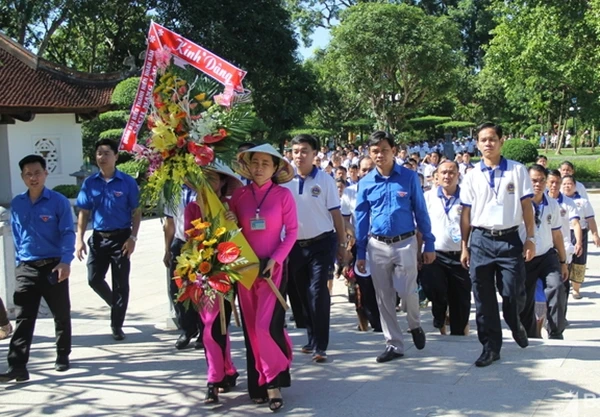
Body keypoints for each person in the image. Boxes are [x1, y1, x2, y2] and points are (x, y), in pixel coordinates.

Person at [460, 122, 536, 368]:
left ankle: (515, 323)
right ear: (477, 144)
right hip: (481, 240)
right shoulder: (471, 175)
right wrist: (465, 245)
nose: (488, 144)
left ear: (502, 140)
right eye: (483, 140)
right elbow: (466, 213)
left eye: (492, 139)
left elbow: (526, 207)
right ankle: (490, 347)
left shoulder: (517, 170)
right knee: (483, 298)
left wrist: (530, 238)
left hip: (509, 239)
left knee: (512, 292)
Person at [355, 131, 435, 363]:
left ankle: (415, 325)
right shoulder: (366, 183)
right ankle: (394, 344)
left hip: (405, 242)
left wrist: (428, 242)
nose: (380, 155)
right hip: (377, 244)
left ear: (393, 151)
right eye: (375, 151)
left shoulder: (409, 178)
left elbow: (421, 210)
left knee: (407, 290)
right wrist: (360, 251)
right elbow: (360, 218)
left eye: (384, 150)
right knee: (384, 296)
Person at [231, 144, 297, 411]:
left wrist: (276, 259)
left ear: (275, 168)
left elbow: (291, 232)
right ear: (248, 165)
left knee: (265, 327)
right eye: (255, 162)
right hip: (245, 270)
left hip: (273, 271)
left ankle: (273, 383)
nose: (259, 168)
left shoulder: (283, 196)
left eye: (265, 164)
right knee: (250, 330)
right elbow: (230, 230)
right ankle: (257, 385)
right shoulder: (239, 196)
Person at [0, 155, 75, 383]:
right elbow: (17, 235)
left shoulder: (58, 201)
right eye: (28, 174)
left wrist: (65, 261)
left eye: (37, 173)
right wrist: (18, 265)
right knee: (24, 317)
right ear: (23, 177)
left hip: (53, 266)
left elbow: (67, 232)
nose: (33, 178)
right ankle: (18, 366)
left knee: (60, 313)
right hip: (27, 267)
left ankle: (62, 354)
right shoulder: (18, 203)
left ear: (45, 173)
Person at [283, 134, 347, 363]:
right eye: (296, 151)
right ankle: (311, 338)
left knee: (318, 292)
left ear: (315, 154)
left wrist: (342, 244)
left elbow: (336, 214)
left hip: (322, 243)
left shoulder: (326, 180)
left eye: (305, 151)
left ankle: (321, 345)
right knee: (302, 294)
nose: (299, 155)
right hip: (294, 246)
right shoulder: (284, 180)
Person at [184, 162, 242, 404]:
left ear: (223, 182)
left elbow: (241, 242)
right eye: (204, 178)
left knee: (220, 325)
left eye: (213, 178)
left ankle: (222, 372)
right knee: (209, 326)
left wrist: (235, 221)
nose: (209, 183)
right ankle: (216, 377)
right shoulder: (192, 209)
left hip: (228, 275)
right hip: (202, 273)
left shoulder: (231, 206)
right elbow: (189, 242)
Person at [76, 139, 141, 341]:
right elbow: (84, 212)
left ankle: (116, 324)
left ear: (116, 156)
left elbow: (136, 211)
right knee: (93, 279)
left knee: (121, 283)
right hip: (98, 238)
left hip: (121, 237)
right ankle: (116, 304)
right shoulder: (90, 183)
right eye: (99, 153)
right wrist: (79, 238)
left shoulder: (127, 182)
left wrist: (133, 237)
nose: (101, 157)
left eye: (106, 153)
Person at [420, 160, 471, 336]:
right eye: (443, 173)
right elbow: (420, 226)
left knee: (461, 300)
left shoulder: (467, 197)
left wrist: (467, 249)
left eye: (451, 172)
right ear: (437, 176)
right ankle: (440, 318)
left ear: (458, 175)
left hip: (460, 255)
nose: (447, 176)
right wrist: (418, 252)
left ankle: (458, 333)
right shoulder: (428, 197)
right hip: (435, 254)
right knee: (435, 291)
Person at [519, 165, 568, 339]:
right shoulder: (519, 204)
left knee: (556, 287)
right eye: (533, 180)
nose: (538, 184)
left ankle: (555, 331)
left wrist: (563, 261)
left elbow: (557, 234)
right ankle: (530, 334)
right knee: (524, 298)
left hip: (547, 255)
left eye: (541, 180)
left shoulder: (552, 204)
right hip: (525, 256)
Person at [340, 156, 382, 333]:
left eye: (370, 169)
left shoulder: (384, 188)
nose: (366, 173)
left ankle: (386, 317)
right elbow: (344, 219)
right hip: (361, 244)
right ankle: (375, 322)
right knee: (365, 283)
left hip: (383, 243)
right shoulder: (350, 192)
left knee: (384, 283)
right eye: (363, 169)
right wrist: (353, 235)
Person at [163, 184, 203, 350]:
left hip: (201, 243)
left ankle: (203, 330)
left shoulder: (205, 188)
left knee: (201, 289)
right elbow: (170, 222)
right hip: (180, 243)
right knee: (178, 290)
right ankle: (188, 328)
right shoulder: (173, 189)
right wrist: (167, 249)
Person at [561, 175, 600, 299]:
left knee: (579, 261)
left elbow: (590, 219)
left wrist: (595, 235)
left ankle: (576, 289)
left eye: (569, 184)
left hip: (579, 233)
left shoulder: (582, 201)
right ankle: (563, 285)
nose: (567, 186)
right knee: (564, 259)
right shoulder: (556, 200)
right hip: (563, 233)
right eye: (565, 184)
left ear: (574, 186)